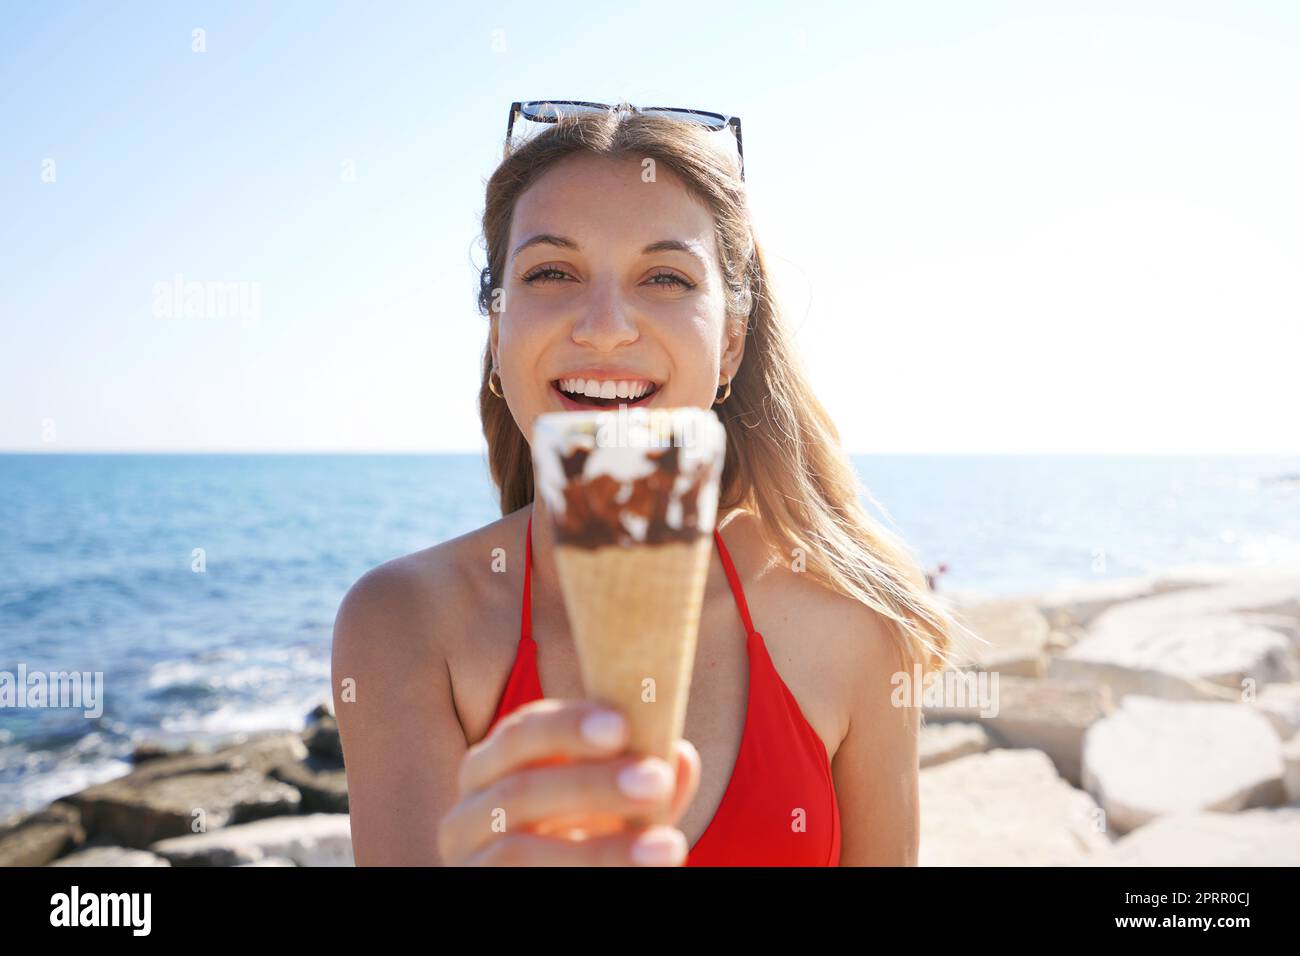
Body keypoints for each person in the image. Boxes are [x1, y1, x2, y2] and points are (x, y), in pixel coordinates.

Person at [332, 102, 971, 866]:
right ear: (498, 331)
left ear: (730, 343)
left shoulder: (851, 616)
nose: (605, 326)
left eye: (664, 277)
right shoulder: (405, 624)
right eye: (552, 272)